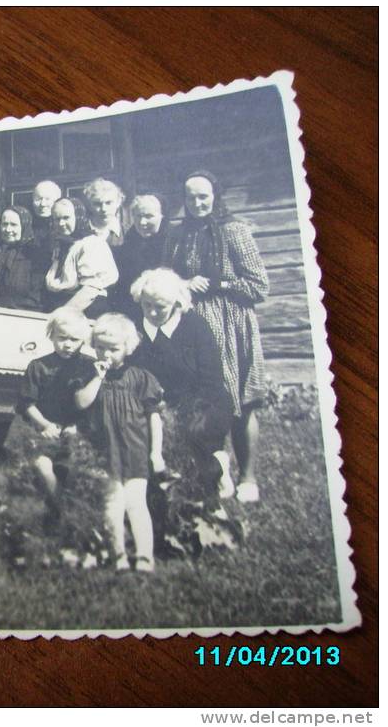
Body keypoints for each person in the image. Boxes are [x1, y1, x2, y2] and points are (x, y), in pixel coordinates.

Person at [166, 170, 270, 503]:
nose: (197, 203)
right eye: (190, 197)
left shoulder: (234, 231)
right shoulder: (177, 236)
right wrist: (183, 284)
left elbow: (259, 286)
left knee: (241, 400)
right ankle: (216, 473)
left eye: (203, 197)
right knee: (204, 402)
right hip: (193, 325)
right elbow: (167, 278)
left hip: (232, 324)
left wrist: (218, 284)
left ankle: (249, 478)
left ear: (216, 195)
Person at [130, 268, 235, 503]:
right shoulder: (139, 328)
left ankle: (217, 466)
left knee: (191, 433)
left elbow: (211, 379)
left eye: (160, 307)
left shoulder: (195, 327)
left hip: (204, 399)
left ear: (177, 303)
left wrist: (177, 407)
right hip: (156, 400)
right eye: (147, 305)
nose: (152, 312)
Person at [74, 313, 165, 572]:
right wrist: (97, 378)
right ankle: (118, 556)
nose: (105, 354)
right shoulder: (89, 375)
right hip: (105, 451)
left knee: (136, 502)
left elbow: (154, 418)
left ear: (127, 348)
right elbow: (81, 402)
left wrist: (156, 452)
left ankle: (145, 556)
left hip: (135, 450)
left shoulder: (140, 377)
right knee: (113, 502)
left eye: (113, 349)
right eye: (100, 347)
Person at [16, 306, 95, 511]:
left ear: (83, 341)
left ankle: (74, 508)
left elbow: (93, 404)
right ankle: (58, 507)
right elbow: (26, 404)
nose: (68, 345)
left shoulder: (89, 367)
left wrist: (77, 426)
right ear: (51, 335)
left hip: (75, 430)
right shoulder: (38, 366)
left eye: (75, 340)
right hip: (43, 428)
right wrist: (45, 425)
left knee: (73, 468)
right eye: (62, 338)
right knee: (43, 466)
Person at [44, 197, 118, 316]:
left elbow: (90, 290)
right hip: (63, 306)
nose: (61, 223)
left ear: (78, 217)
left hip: (85, 308)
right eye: (57, 219)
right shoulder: (62, 244)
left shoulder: (92, 244)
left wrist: (62, 316)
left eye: (66, 218)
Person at [108, 193, 170, 319]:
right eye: (138, 216)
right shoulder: (125, 246)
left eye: (149, 216)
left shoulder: (172, 243)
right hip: (132, 311)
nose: (142, 222)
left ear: (161, 216)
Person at [0, 205, 48, 311]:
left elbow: (35, 297)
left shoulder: (34, 256)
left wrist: (0, 304)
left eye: (14, 225)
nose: (8, 229)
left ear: (24, 226)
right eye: (4, 224)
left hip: (22, 316)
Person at [30, 179, 62, 249]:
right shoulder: (26, 226)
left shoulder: (62, 225)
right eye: (38, 199)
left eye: (47, 199)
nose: (43, 204)